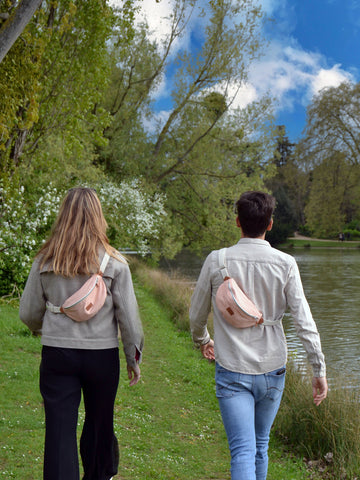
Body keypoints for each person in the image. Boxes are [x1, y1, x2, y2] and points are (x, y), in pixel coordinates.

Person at [189, 191, 328, 480]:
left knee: (242, 450)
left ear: (237, 222)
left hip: (232, 369)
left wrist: (203, 341)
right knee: (260, 446)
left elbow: (196, 315)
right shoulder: (286, 263)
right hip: (272, 368)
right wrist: (318, 369)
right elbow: (305, 323)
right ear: (271, 223)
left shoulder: (217, 261)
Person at [19, 187, 144, 480]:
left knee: (60, 430)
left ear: (63, 216)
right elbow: (130, 320)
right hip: (101, 356)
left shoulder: (45, 260)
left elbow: (27, 313)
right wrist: (132, 357)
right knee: (100, 424)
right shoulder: (116, 263)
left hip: (57, 354)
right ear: (98, 217)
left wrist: (45, 329)